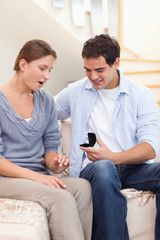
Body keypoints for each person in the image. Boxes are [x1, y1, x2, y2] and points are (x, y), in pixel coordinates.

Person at [55, 34, 160, 240]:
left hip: (133, 169)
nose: (93, 76)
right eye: (88, 70)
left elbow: (150, 147)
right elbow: (45, 111)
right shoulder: (76, 91)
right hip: (94, 170)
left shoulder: (141, 96)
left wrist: (112, 157)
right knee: (104, 168)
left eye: (100, 70)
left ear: (116, 63)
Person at [0, 39, 93, 240]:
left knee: (83, 188)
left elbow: (50, 147)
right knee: (60, 198)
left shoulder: (47, 101)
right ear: (23, 64)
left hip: (37, 176)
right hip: (6, 179)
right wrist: (37, 177)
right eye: (42, 68)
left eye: (50, 70)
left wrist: (55, 163)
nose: (47, 76)